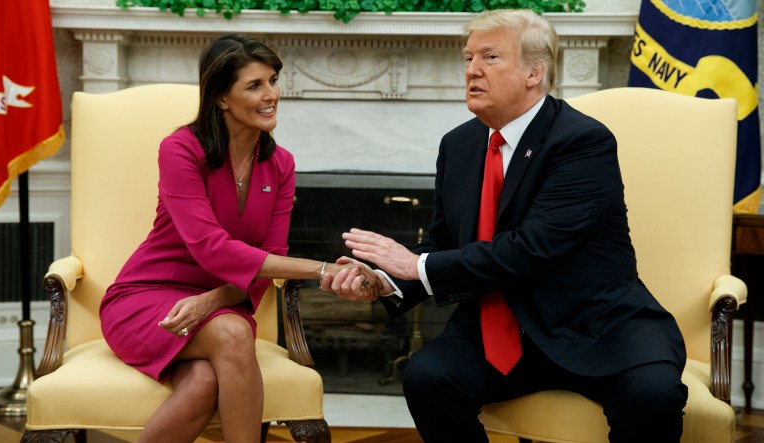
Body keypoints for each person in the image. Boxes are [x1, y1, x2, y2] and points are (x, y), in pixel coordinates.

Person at [323, 9, 688, 443]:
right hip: (499, 331)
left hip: (593, 326)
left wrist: (412, 265)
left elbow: (531, 249)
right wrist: (386, 281)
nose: (471, 70)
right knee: (427, 377)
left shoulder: (582, 141)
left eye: (490, 57)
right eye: (467, 57)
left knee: (655, 394)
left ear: (535, 72)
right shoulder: (459, 144)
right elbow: (442, 240)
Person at [99, 34, 380, 443]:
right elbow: (210, 247)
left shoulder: (281, 164)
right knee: (233, 333)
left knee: (202, 385)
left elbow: (268, 261)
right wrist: (324, 269)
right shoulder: (180, 149)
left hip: (219, 305)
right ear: (221, 98)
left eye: (273, 80)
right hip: (146, 299)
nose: (271, 95)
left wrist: (210, 301)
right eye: (254, 85)